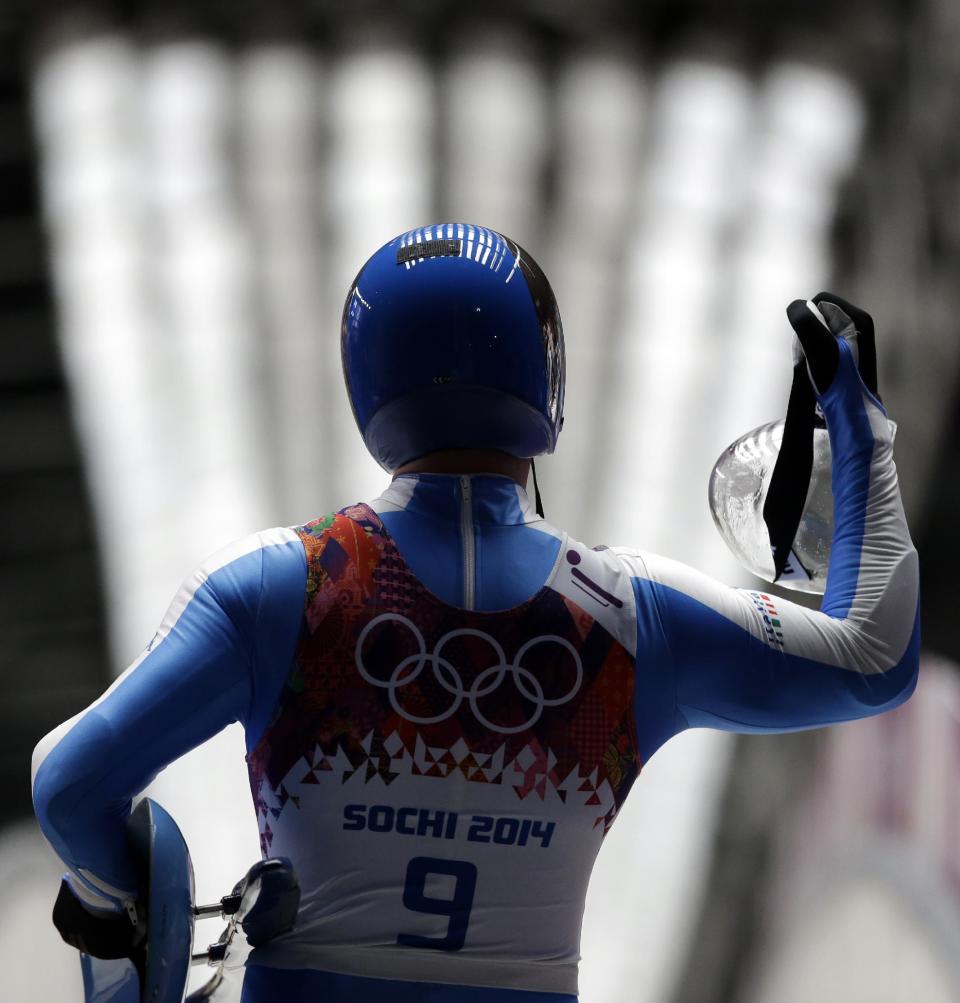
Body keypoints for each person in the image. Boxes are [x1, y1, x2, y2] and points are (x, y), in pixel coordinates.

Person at [32, 223, 920, 1003]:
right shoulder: (632, 616)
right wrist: (858, 432)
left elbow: (69, 784)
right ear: (546, 374)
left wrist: (126, 917)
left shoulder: (275, 584)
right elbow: (874, 658)